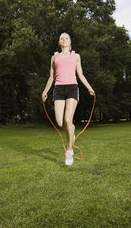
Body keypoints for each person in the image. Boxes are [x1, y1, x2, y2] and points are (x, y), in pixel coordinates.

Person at [42, 32, 95, 166]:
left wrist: (89, 87)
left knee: (67, 119)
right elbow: (51, 77)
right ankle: (71, 130)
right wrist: (45, 91)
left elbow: (80, 74)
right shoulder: (54, 57)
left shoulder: (76, 56)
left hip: (72, 88)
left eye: (66, 38)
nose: (64, 40)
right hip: (58, 89)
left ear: (70, 42)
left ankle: (70, 151)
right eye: (61, 38)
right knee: (60, 122)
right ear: (59, 42)